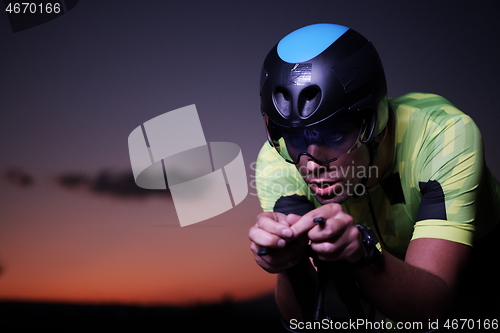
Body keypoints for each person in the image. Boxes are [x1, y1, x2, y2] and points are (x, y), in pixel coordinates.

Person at [248, 23, 500, 331]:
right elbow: (305, 321)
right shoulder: (276, 161)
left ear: (373, 123)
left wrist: (363, 253)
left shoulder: (444, 136)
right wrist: (290, 263)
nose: (310, 165)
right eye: (295, 139)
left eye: (334, 133)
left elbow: (433, 310)